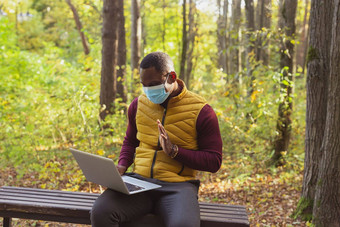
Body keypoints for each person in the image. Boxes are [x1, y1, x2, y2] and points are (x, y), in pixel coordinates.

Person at [91, 52, 222, 227]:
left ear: (171, 77)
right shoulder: (138, 105)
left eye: (153, 85)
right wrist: (122, 165)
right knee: (101, 211)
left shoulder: (202, 111)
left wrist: (174, 151)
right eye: (144, 85)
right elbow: (131, 141)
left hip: (178, 188)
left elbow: (214, 161)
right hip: (138, 184)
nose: (148, 91)